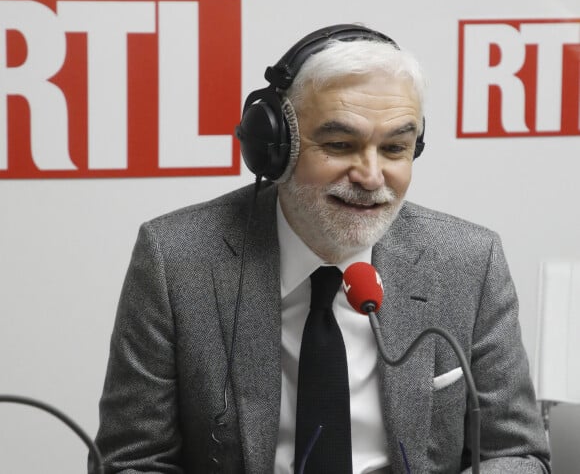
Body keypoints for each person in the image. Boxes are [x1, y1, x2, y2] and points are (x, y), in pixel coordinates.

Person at [93, 24, 551, 473]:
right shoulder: (176, 259)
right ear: (276, 148)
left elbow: (518, 455)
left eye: (394, 149)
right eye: (339, 144)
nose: (371, 177)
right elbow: (132, 460)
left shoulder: (468, 261)